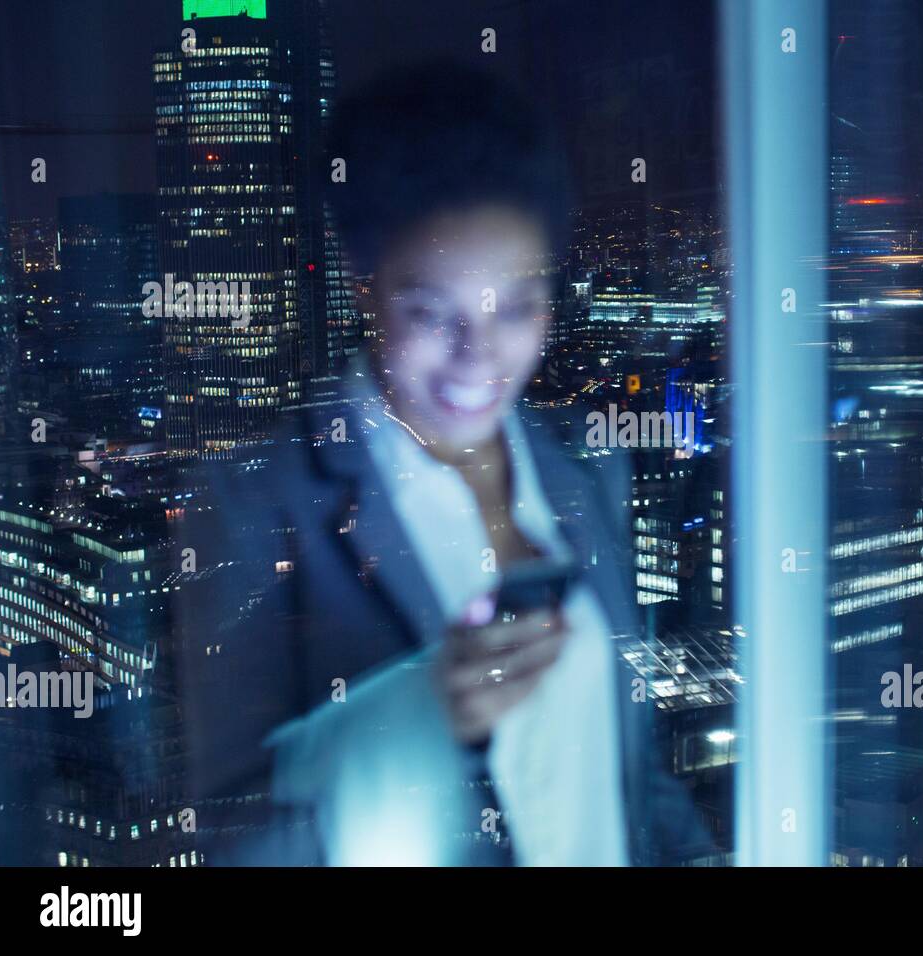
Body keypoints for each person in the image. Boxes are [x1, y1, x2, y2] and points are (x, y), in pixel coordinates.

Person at [174, 63, 708, 866]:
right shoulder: (257, 503)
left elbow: (625, 769)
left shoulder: (584, 464)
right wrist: (420, 718)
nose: (479, 360)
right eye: (431, 313)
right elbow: (232, 842)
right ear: (363, 289)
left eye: (518, 307)